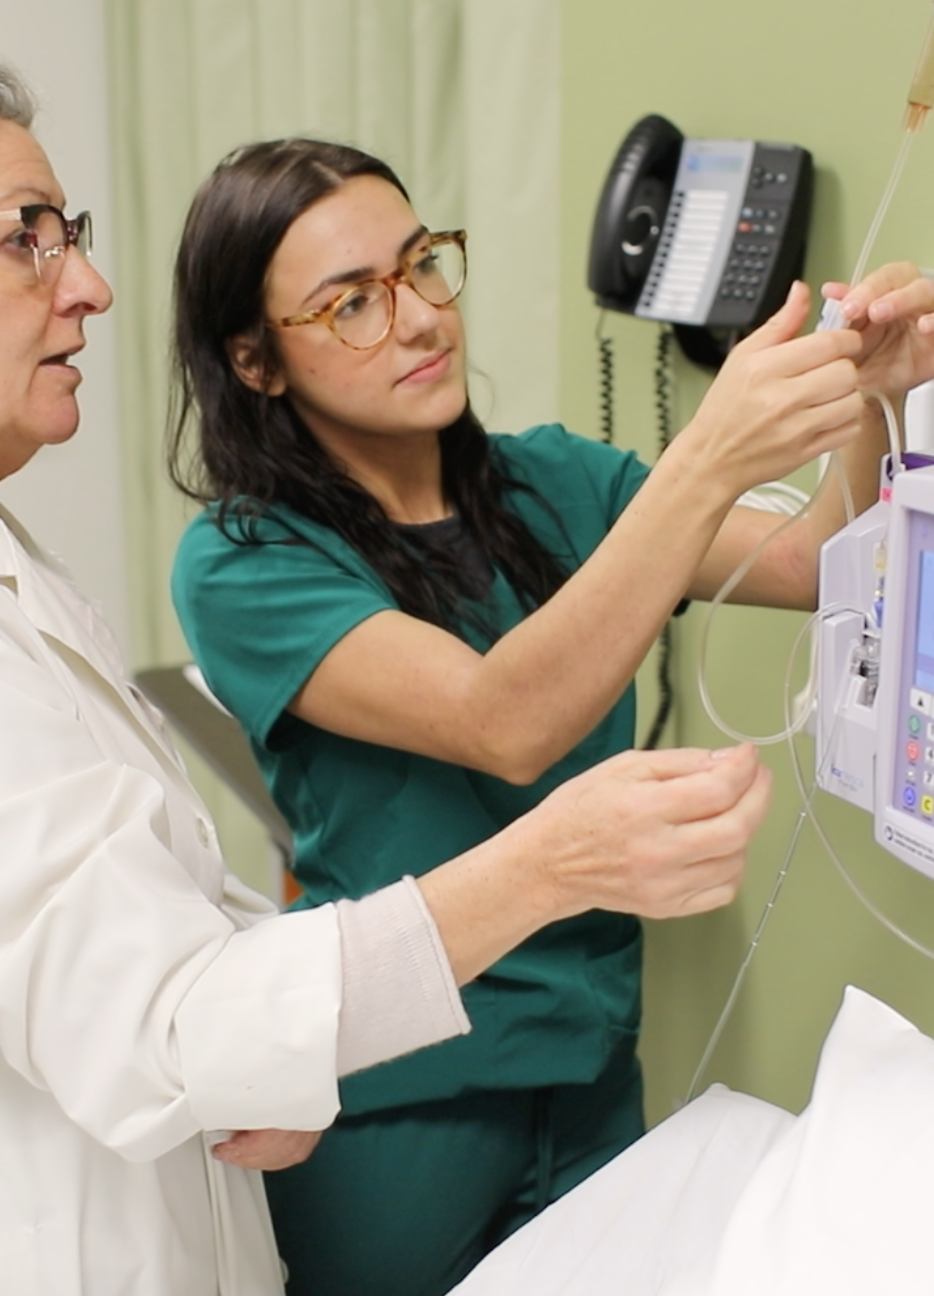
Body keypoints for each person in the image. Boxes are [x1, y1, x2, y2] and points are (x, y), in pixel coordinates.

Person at [0, 41, 784, 1296]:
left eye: (69, 230)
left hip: (508, 1061)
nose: (91, 285)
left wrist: (266, 1057)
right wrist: (553, 859)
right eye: (27, 237)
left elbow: (142, 926)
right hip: (350, 1122)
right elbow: (163, 1014)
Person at [168, 137, 934, 1296]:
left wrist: (873, 399)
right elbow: (504, 717)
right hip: (396, 1100)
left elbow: (825, 559)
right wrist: (706, 459)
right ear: (256, 361)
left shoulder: (556, 486)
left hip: (586, 1072)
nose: (420, 318)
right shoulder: (244, 560)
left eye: (423, 266)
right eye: (352, 303)